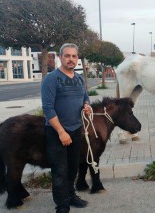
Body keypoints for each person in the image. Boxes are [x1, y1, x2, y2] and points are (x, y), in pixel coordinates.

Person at [41, 43, 91, 213]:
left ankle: (71, 195)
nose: (71, 59)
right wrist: (61, 132)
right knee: (60, 171)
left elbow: (86, 98)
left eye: (74, 56)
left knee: (72, 168)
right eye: (67, 56)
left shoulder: (78, 78)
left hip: (76, 130)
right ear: (60, 57)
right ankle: (62, 207)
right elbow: (48, 108)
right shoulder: (51, 79)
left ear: (77, 58)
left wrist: (87, 106)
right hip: (57, 133)